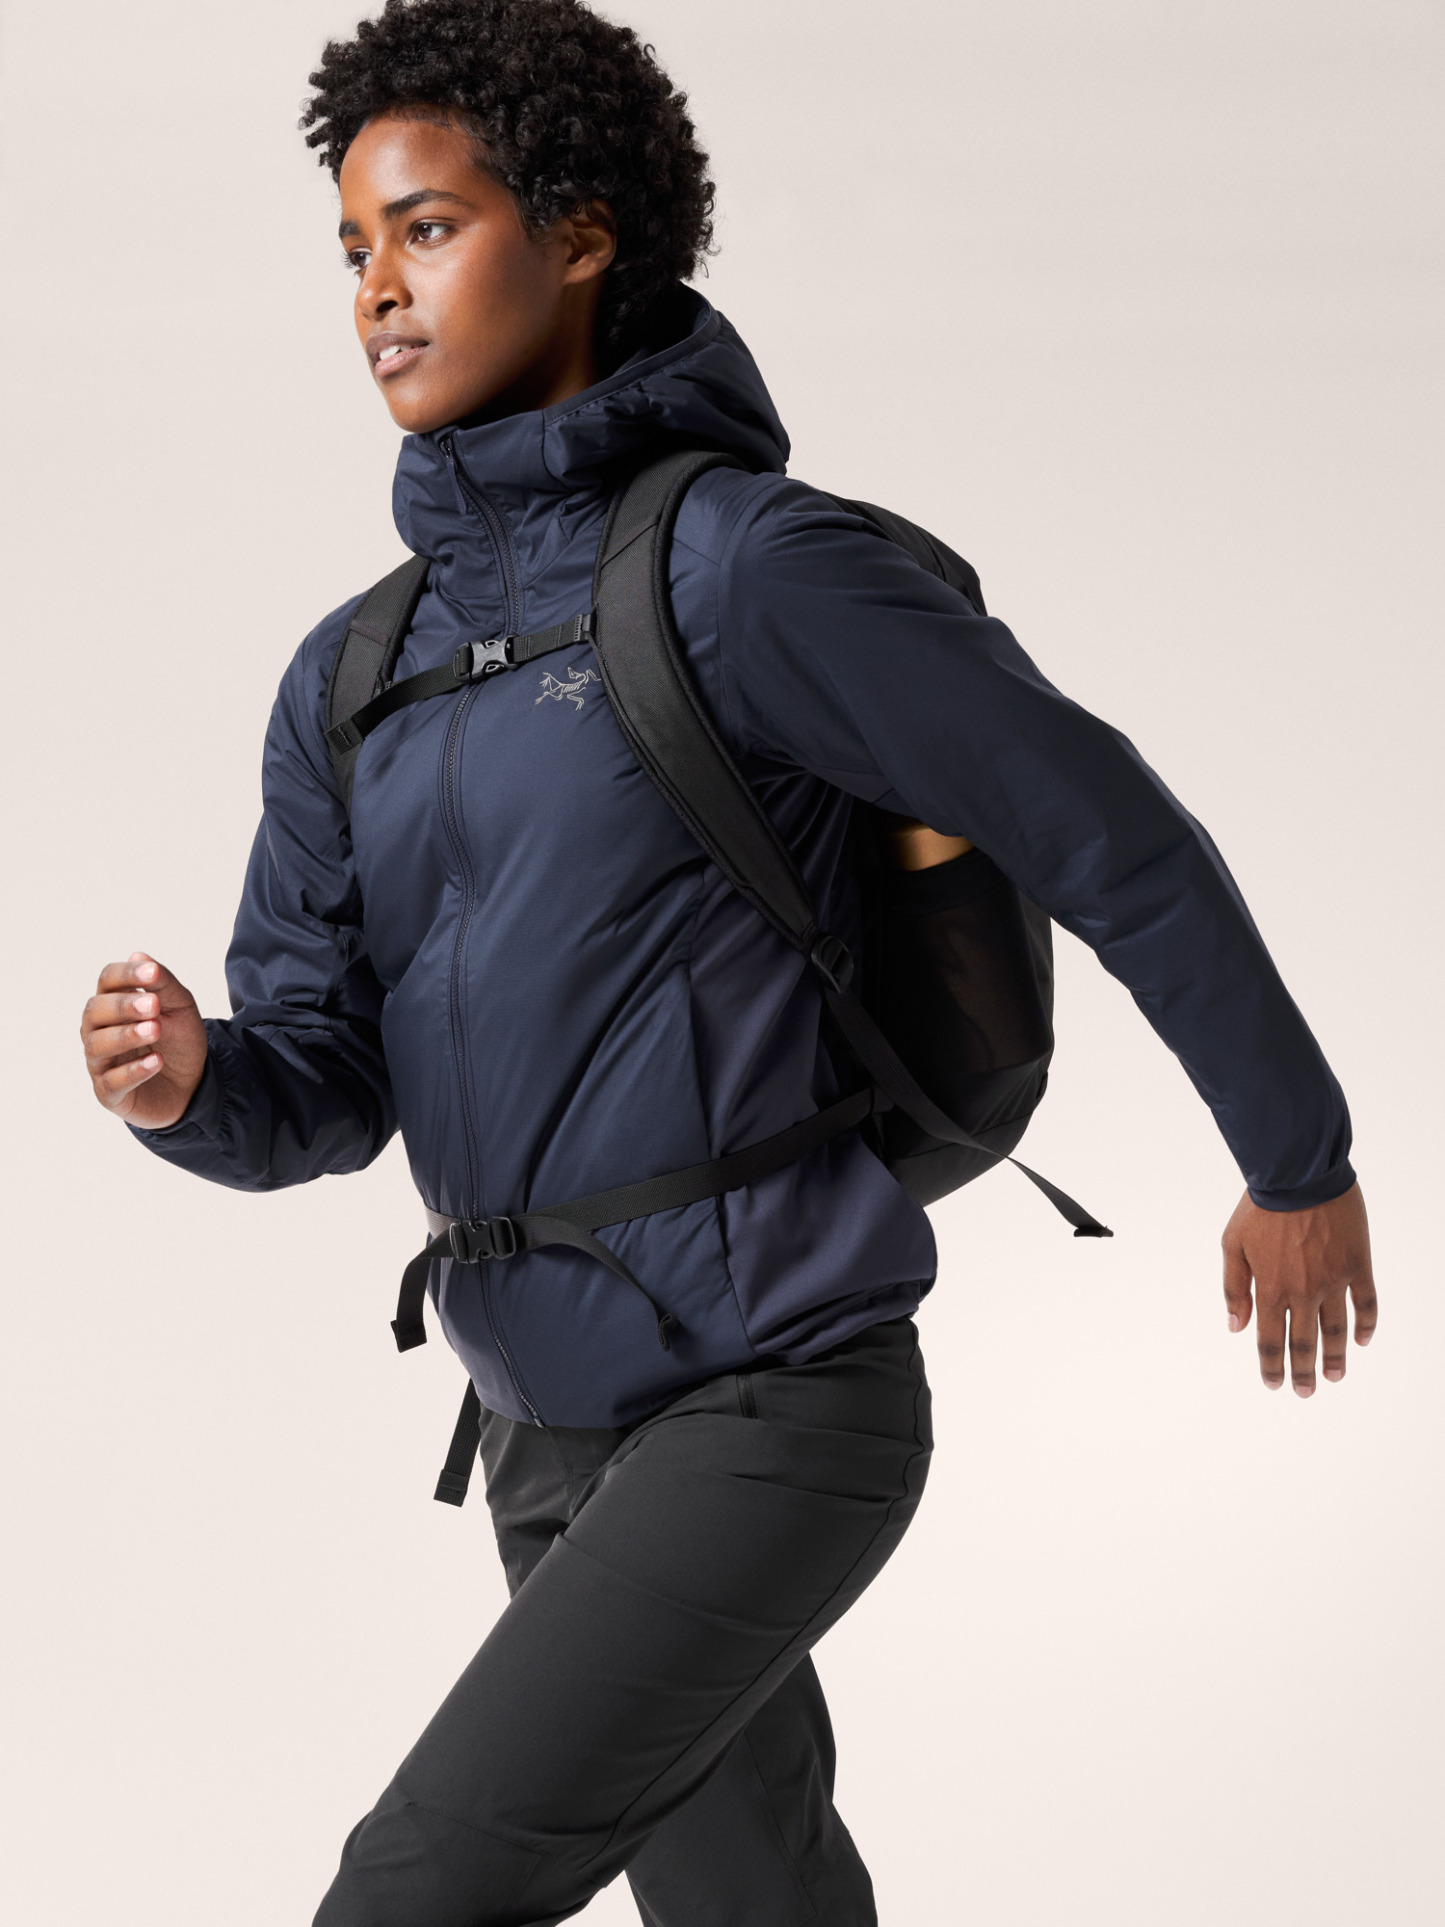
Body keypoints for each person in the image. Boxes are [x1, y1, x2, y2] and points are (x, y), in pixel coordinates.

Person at [77, 2, 1378, 1921]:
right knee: (754, 1899)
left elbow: (1105, 829)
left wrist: (1295, 1158)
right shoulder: (349, 674)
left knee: (411, 1890)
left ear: (580, 235)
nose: (376, 293)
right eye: (352, 249)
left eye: (427, 229)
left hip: (775, 1399)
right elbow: (324, 1080)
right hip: (539, 1431)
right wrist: (199, 1087)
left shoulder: (746, 572)